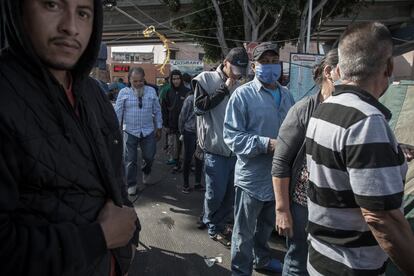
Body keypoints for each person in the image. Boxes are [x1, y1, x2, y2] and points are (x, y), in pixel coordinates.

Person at [0, 0, 140, 275]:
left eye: (83, 12)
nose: (71, 27)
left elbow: (115, 179)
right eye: (52, 4)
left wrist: (130, 237)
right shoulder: (6, 95)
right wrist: (99, 238)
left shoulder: (92, 93)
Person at [305, 22, 414, 275]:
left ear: (342, 67)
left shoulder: (326, 108)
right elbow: (380, 218)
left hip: (321, 256)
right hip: (352, 265)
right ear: (388, 67)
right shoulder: (367, 121)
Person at [223, 42, 295, 275]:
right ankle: (240, 270)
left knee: (265, 227)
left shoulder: (287, 95)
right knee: (243, 232)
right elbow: (232, 137)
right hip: (251, 180)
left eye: (275, 62)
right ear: (254, 66)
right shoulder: (242, 95)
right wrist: (266, 144)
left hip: (278, 178)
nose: (271, 67)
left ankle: (261, 260)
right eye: (265, 62)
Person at [271, 49, 339, 276]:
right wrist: (282, 210)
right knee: (298, 261)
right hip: (304, 207)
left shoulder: (349, 113)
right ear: (329, 73)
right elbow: (280, 162)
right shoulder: (304, 109)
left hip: (335, 210)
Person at [193, 47, 248, 245]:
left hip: (237, 150)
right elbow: (199, 107)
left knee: (230, 194)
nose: (237, 73)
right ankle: (212, 225)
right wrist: (223, 89)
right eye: (234, 68)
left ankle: (221, 223)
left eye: (241, 70)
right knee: (215, 193)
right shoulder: (205, 79)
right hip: (215, 148)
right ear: (225, 62)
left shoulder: (242, 84)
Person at [115, 67, 162, 195]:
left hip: (148, 131)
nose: (138, 84)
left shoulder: (151, 91)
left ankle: (146, 170)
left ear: (144, 79)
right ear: (129, 80)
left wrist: (159, 127)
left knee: (149, 156)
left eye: (140, 81)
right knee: (130, 159)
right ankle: (131, 184)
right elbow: (118, 113)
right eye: (135, 81)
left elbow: (157, 110)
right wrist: (115, 131)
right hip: (129, 131)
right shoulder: (123, 93)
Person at [162, 70, 190, 171]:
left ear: (181, 79)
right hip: (173, 125)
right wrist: (165, 124)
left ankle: (186, 165)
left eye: (177, 78)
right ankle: (177, 164)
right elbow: (164, 108)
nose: (176, 81)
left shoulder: (187, 92)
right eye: (173, 79)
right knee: (175, 147)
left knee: (185, 148)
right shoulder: (169, 92)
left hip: (186, 126)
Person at [178, 90, 204, 194]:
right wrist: (181, 131)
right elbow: (182, 116)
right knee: (188, 158)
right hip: (190, 132)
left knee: (199, 159)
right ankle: (185, 184)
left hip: (201, 133)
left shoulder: (207, 97)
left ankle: (197, 183)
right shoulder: (190, 99)